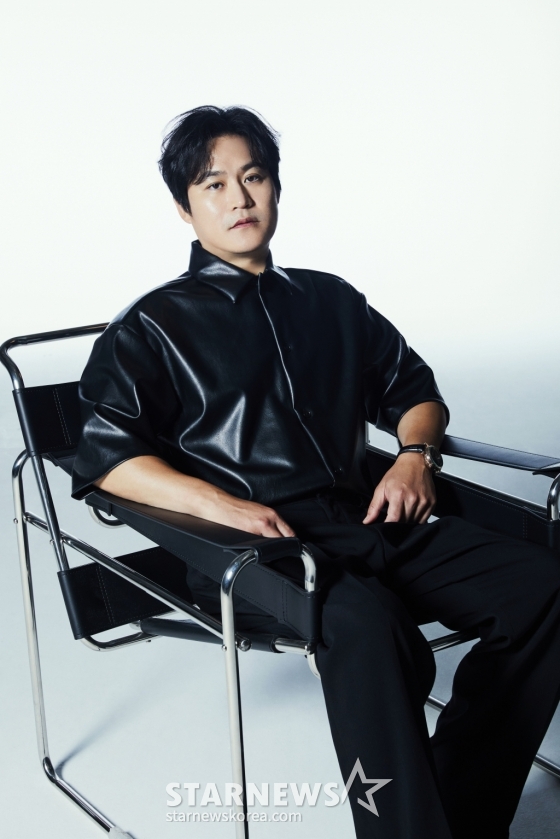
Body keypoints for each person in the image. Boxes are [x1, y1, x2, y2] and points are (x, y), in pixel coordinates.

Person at [72, 106, 560, 839]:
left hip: (366, 519)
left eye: (253, 177)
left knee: (542, 587)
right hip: (254, 553)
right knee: (371, 626)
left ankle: (460, 806)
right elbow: (106, 458)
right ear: (184, 207)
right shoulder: (151, 327)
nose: (239, 198)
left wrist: (414, 457)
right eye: (213, 185)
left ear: (275, 186)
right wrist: (222, 506)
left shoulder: (330, 299)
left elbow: (416, 395)